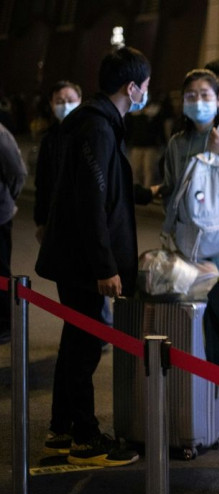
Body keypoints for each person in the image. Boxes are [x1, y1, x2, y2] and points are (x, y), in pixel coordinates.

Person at [35, 46, 152, 467]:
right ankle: (84, 437)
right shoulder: (98, 129)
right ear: (131, 86)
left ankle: (62, 429)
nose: (146, 94)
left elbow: (106, 191)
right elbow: (90, 202)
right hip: (83, 263)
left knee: (76, 343)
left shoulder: (97, 123)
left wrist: (143, 195)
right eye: (145, 86)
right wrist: (106, 267)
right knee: (85, 345)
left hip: (76, 258)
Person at [159, 68, 219, 273]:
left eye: (205, 95)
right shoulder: (177, 144)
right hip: (188, 240)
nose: (198, 101)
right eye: (191, 96)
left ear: (218, 99)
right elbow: (170, 191)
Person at [33, 80, 82, 245]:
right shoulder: (49, 139)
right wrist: (40, 220)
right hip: (54, 217)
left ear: (80, 101)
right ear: (51, 104)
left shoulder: (90, 134)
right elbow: (42, 180)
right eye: (59, 101)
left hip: (81, 217)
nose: (65, 105)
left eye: (70, 100)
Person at [0, 122, 28, 344]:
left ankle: (4, 325)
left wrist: (7, 201)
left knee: (0, 271)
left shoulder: (1, 134)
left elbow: (17, 173)